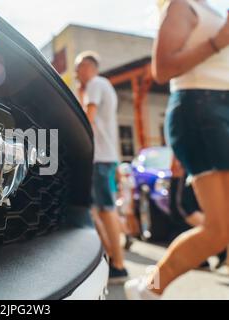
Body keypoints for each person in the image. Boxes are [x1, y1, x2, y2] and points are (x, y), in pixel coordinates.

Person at [125, 0, 229, 299]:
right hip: (200, 109)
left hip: (220, 108)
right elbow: (163, 69)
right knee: (218, 230)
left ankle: (148, 285)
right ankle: (149, 288)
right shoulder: (182, 5)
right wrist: (219, 40)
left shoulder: (215, 10)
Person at [75, 51, 128, 283]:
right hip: (105, 157)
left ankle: (118, 265)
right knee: (100, 210)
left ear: (88, 67)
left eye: (78, 68)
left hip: (99, 157)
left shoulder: (96, 84)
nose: (77, 73)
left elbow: (88, 117)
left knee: (105, 210)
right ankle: (112, 257)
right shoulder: (104, 86)